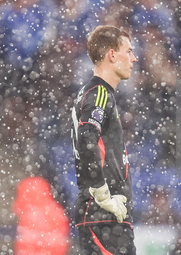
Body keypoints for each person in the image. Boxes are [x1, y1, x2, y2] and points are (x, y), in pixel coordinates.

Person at [71, 25, 137, 255]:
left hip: (106, 217)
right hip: (103, 216)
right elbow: (87, 138)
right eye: (128, 51)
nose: (134, 58)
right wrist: (102, 194)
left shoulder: (96, 93)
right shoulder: (99, 93)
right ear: (111, 55)